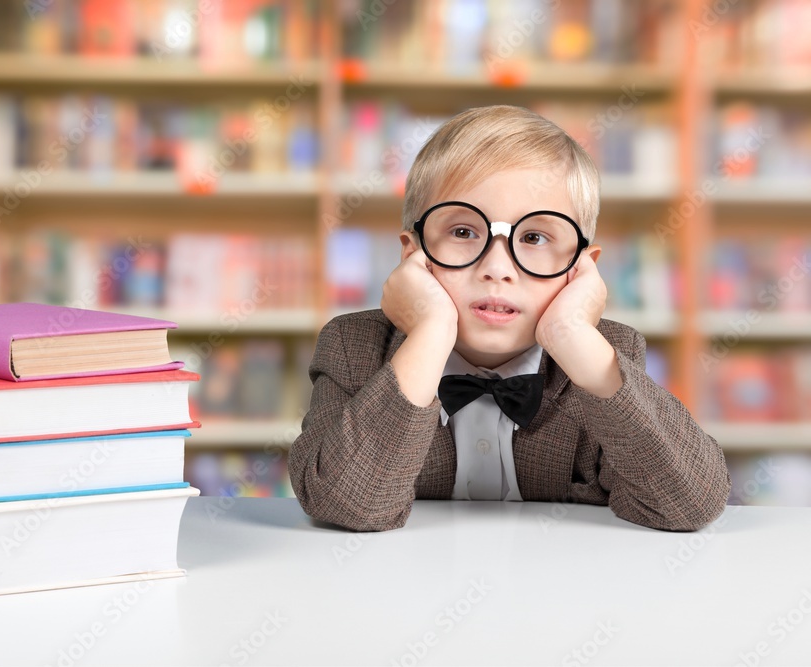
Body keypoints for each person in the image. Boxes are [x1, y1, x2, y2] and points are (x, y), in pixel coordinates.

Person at [288, 105, 731, 532]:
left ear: (581, 269)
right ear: (413, 255)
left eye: (535, 236)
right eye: (463, 232)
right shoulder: (353, 347)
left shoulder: (603, 356)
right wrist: (430, 333)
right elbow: (344, 505)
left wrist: (573, 336)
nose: (497, 268)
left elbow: (691, 504)